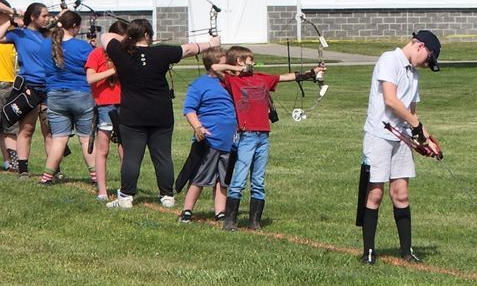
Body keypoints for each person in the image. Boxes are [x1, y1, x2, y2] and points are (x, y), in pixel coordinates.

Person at [101, 19, 220, 210]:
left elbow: (105, 36)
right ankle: (167, 195)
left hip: (133, 113)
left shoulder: (121, 52)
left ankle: (126, 197)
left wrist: (128, 39)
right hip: (161, 113)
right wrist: (211, 44)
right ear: (148, 35)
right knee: (163, 155)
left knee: (131, 156)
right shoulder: (162, 52)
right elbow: (188, 49)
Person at [212, 45, 325, 232]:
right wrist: (241, 70)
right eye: (250, 60)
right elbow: (216, 68)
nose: (253, 62)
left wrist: (311, 73)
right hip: (246, 136)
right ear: (240, 61)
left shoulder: (261, 78)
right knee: (239, 179)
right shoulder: (232, 81)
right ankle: (230, 222)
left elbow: (285, 77)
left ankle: (254, 222)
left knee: (258, 180)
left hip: (263, 135)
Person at [359, 30, 441, 265]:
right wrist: (415, 126)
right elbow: (391, 100)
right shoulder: (389, 59)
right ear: (420, 46)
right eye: (428, 58)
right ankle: (369, 252)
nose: (426, 64)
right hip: (379, 135)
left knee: (401, 194)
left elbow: (412, 113)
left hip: (402, 138)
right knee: (375, 193)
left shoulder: (413, 75)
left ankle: (407, 251)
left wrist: (427, 139)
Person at [178, 46, 237, 224]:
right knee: (199, 176)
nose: (228, 64)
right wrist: (198, 127)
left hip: (230, 140)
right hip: (209, 139)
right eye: (224, 61)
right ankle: (187, 210)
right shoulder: (200, 84)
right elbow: (189, 109)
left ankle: (220, 212)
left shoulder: (229, 82)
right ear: (214, 64)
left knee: (223, 179)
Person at [38, 10, 96, 185]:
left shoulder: (44, 45)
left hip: (54, 95)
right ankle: (95, 177)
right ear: (75, 26)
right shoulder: (83, 47)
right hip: (81, 94)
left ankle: (46, 177)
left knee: (59, 138)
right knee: (86, 138)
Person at [0, 2, 51, 178]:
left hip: (48, 87)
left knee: (49, 131)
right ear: (33, 17)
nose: (47, 19)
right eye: (44, 16)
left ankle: (53, 169)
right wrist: (11, 19)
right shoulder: (18, 34)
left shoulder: (47, 35)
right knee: (26, 129)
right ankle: (23, 169)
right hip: (30, 87)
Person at [85, 20, 128, 201]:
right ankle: (102, 190)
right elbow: (91, 78)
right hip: (105, 106)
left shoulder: (126, 54)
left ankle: (126, 188)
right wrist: (112, 71)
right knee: (103, 149)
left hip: (125, 105)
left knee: (125, 149)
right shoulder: (97, 54)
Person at [0, 42, 19, 171]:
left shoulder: (13, 34)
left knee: (8, 126)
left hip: (9, 84)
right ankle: (10, 162)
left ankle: (11, 162)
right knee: (9, 126)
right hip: (8, 83)